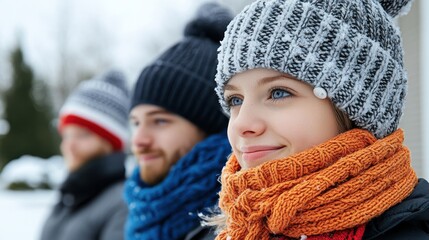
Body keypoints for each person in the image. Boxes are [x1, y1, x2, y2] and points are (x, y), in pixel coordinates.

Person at [209, 0, 429, 239]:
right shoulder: (238, 226)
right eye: (235, 100)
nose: (242, 125)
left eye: (279, 93)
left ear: (355, 109)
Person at [123, 3, 233, 240]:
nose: (139, 141)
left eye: (160, 121)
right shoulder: (139, 218)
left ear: (211, 127)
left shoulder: (238, 225)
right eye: (136, 123)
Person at [40, 70, 130, 240]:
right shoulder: (71, 195)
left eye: (82, 135)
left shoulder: (123, 204)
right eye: (66, 135)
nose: (69, 145)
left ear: (110, 142)